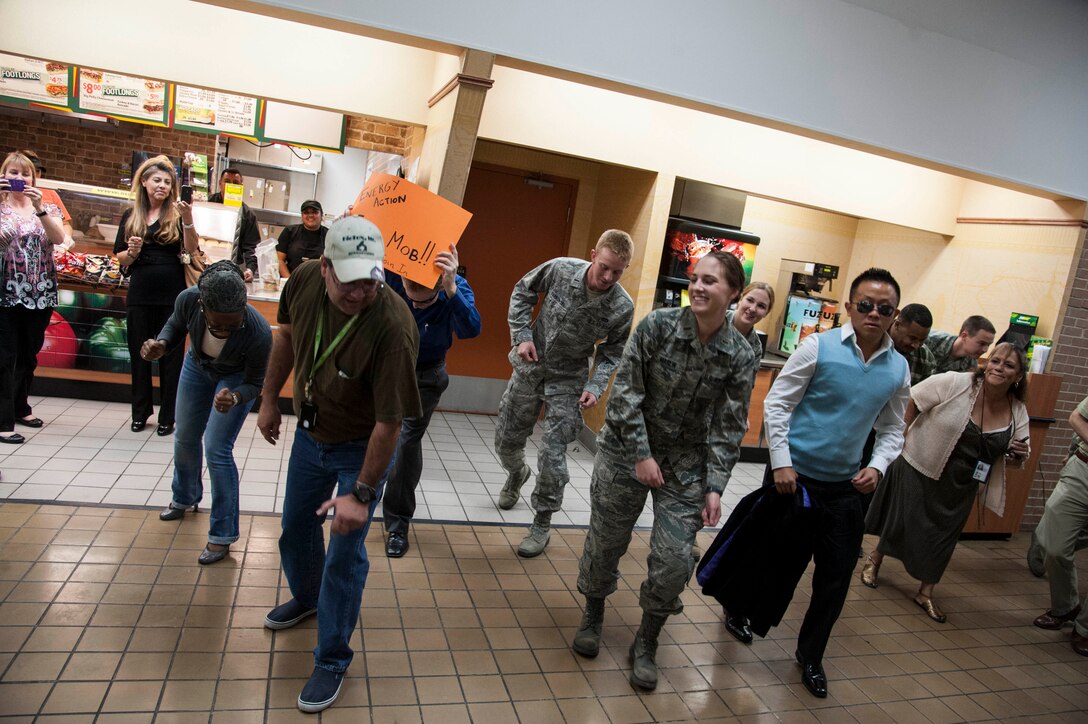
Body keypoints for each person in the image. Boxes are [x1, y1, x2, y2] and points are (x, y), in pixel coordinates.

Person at [256, 216, 420, 713]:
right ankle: (306, 598)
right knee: (295, 529)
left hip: (360, 447)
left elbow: (390, 425)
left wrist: (362, 493)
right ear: (325, 268)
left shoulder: (393, 326)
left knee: (344, 556)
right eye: (350, 280)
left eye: (372, 278)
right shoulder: (303, 280)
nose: (362, 291)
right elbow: (284, 336)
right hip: (310, 433)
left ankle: (332, 658)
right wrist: (268, 399)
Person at [573, 251, 756, 691]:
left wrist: (715, 487)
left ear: (733, 293)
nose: (698, 287)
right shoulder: (658, 326)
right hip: (625, 450)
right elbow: (626, 396)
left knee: (675, 560)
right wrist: (640, 455)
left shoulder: (740, 354)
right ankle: (593, 614)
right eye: (695, 279)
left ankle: (647, 640)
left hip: (686, 462)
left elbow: (729, 427)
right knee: (606, 540)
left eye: (710, 281)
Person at [763, 267, 910, 699]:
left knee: (835, 577)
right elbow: (777, 404)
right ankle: (747, 614)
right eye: (865, 305)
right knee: (779, 562)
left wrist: (879, 465)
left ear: (894, 315)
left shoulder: (898, 368)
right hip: (796, 481)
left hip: (846, 489)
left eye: (884, 309)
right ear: (849, 307)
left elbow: (894, 428)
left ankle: (811, 656)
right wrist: (781, 463)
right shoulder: (818, 347)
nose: (873, 314)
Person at [862, 343, 1030, 623]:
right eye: (996, 361)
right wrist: (899, 436)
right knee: (901, 519)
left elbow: (1017, 457)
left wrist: (1018, 454)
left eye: (1009, 365)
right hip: (920, 462)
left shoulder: (1018, 410)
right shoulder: (957, 382)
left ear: (1018, 376)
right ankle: (874, 560)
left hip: (962, 483)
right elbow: (912, 397)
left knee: (944, 536)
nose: (999, 368)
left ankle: (925, 592)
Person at [494, 230, 635, 558]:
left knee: (553, 455)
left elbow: (613, 351)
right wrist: (522, 335)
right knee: (506, 440)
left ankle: (541, 522)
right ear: (593, 254)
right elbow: (522, 291)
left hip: (568, 382)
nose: (608, 277)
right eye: (604, 267)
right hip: (531, 366)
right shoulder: (560, 269)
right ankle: (517, 472)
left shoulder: (621, 306)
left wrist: (595, 385)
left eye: (618, 271)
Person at [142, 261, 272, 565]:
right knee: (185, 435)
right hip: (197, 367)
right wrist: (162, 344)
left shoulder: (258, 331)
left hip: (234, 379)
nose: (226, 330)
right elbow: (175, 324)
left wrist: (236, 396)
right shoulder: (188, 299)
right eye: (218, 325)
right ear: (202, 306)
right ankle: (184, 497)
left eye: (232, 325)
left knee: (217, 449)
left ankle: (222, 535)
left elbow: (255, 382)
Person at [382, 244, 481, 557]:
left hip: (426, 375)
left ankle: (397, 525)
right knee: (380, 435)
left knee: (406, 440)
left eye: (423, 302)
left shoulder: (455, 287)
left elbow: (471, 329)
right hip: (388, 366)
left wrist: (452, 290)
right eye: (410, 298)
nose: (415, 305)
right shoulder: (395, 276)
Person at [113, 155, 198, 436]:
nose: (162, 185)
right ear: (144, 182)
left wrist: (187, 220)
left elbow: (191, 250)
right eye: (156, 180)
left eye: (167, 181)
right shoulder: (131, 216)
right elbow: (121, 259)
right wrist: (133, 252)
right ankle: (140, 413)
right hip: (140, 291)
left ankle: (168, 417)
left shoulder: (176, 214)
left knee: (170, 357)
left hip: (172, 293)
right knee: (139, 354)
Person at [720, 280, 774, 646]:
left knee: (716, 477)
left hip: (722, 421)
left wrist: (742, 412)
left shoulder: (754, 344)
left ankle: (689, 530)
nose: (752, 309)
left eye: (761, 307)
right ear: (740, 298)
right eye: (750, 301)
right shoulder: (713, 320)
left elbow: (745, 383)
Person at [0, 152, 66, 444]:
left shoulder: (47, 205)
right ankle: (3, 421)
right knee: (5, 356)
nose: (19, 178)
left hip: (41, 291)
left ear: (33, 178)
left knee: (29, 353)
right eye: (13, 172)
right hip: (6, 290)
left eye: (25, 174)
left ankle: (20, 407)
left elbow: (59, 238)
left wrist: (40, 208)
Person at [1031, 398, 1088, 657]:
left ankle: (1085, 628)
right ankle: (1065, 607)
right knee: (1052, 543)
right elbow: (1077, 417)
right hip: (1083, 469)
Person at [207, 167, 260, 282]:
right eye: (227, 181)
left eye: (235, 183)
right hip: (205, 263)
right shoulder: (206, 204)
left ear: (241, 186)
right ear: (220, 183)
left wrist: (250, 269)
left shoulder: (248, 214)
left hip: (233, 268)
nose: (230, 185)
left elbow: (252, 246)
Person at [921, 315, 995, 376]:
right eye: (982, 343)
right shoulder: (930, 340)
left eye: (988, 345)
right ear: (964, 336)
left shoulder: (971, 366)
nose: (985, 350)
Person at [276, 199, 327, 278]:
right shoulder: (289, 231)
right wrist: (289, 281)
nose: (310, 215)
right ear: (302, 215)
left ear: (322, 215)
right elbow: (279, 260)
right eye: (306, 212)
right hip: (291, 279)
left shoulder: (329, 235)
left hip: (318, 282)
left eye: (314, 212)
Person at [888, 303, 934, 385]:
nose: (916, 345)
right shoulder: (873, 340)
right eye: (913, 338)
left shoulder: (926, 359)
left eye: (922, 340)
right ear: (897, 325)